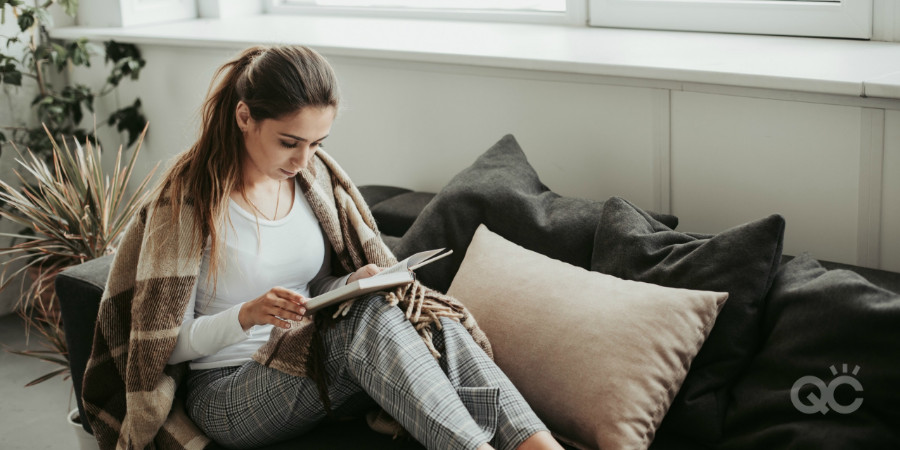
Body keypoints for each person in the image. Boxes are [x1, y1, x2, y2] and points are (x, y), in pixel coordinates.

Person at [82, 45, 563, 450]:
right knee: (368, 320)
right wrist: (246, 315)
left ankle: (540, 445)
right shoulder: (187, 204)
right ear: (244, 116)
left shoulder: (315, 181)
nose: (304, 159)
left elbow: (311, 288)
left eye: (316, 142)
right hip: (229, 390)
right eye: (290, 141)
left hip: (310, 360)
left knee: (422, 317)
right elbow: (165, 346)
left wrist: (349, 283)